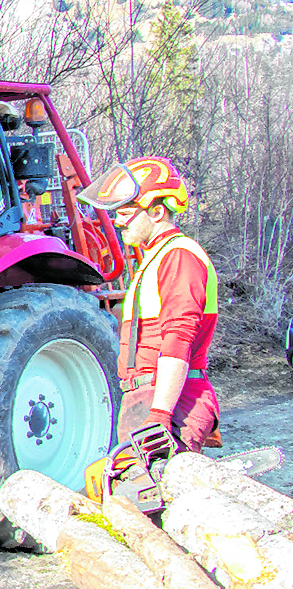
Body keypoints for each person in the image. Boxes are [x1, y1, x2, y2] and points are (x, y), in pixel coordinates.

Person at [79, 157, 220, 453]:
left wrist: (159, 416)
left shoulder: (179, 255)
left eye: (127, 212)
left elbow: (178, 340)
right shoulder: (154, 261)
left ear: (156, 211)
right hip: (145, 397)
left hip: (169, 400)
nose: (117, 221)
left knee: (153, 492)